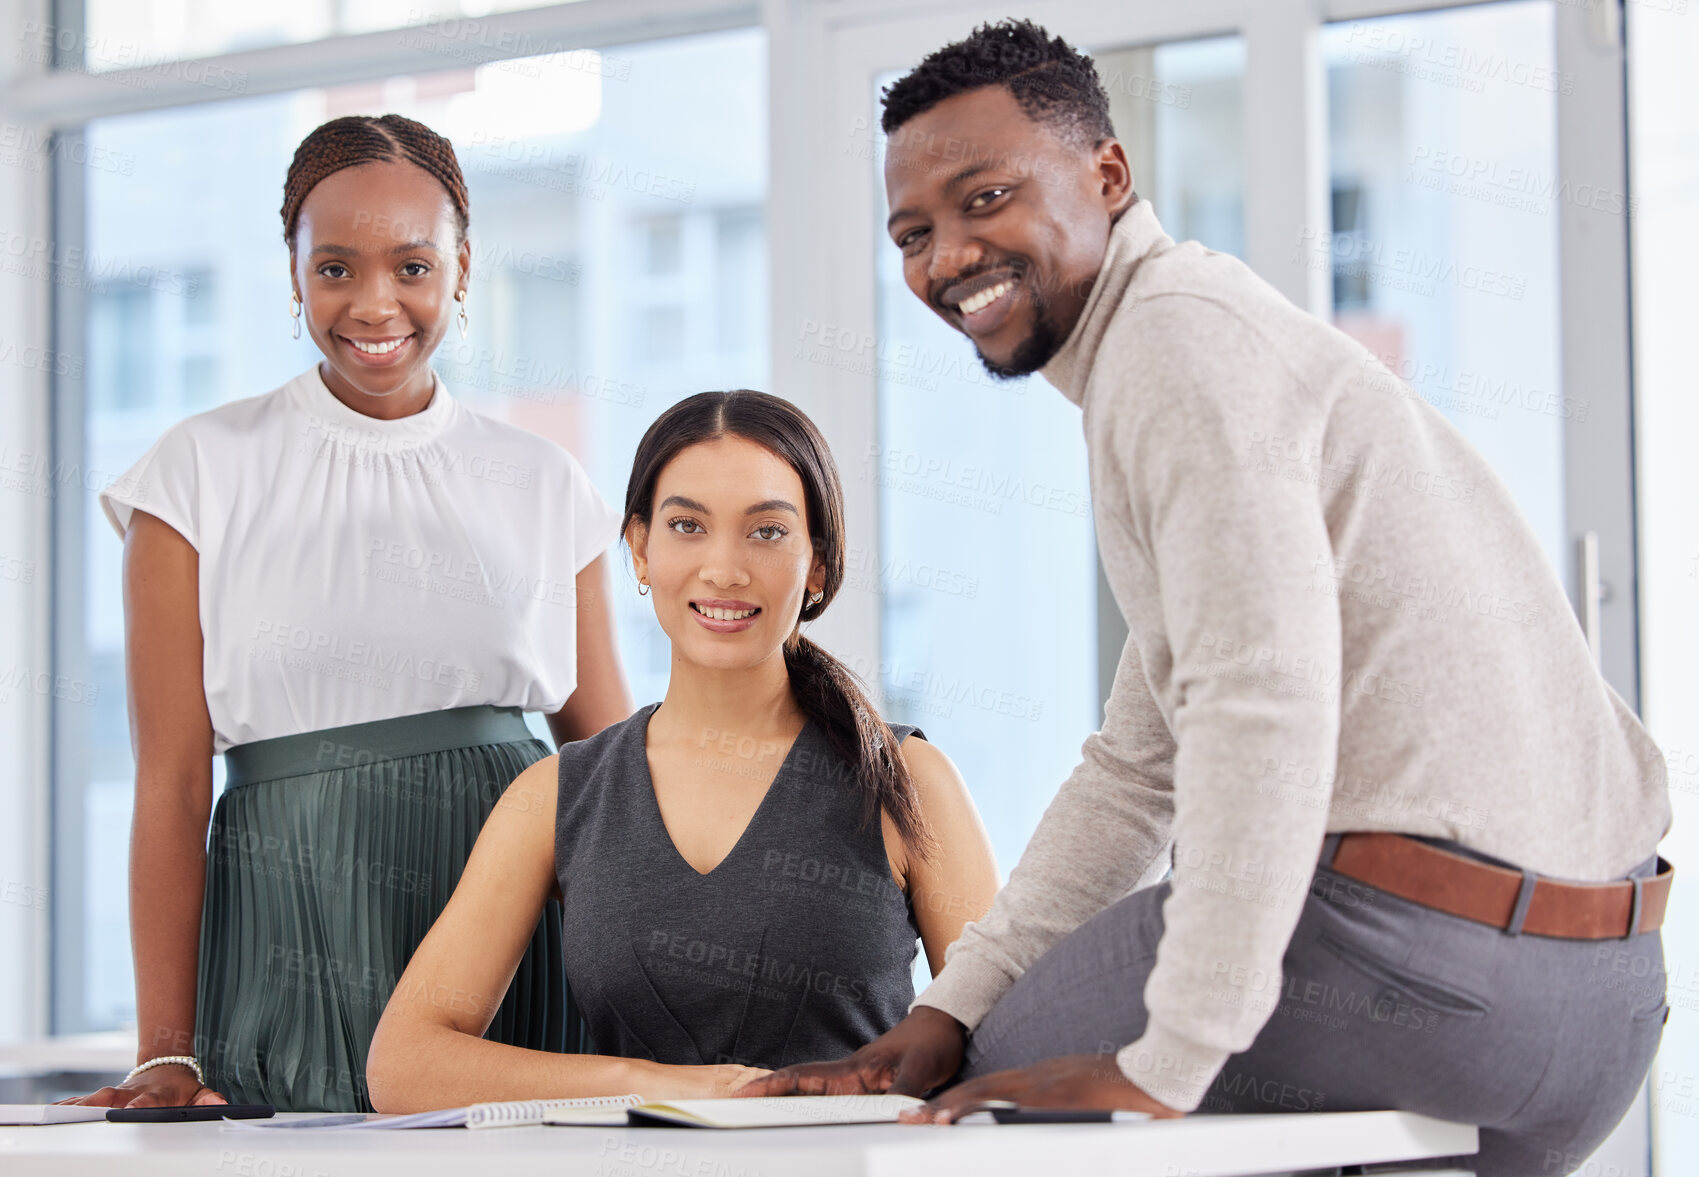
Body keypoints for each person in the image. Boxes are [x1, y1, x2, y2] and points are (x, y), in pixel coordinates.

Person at [741, 22, 1672, 1177]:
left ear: (1110, 175)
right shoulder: (1221, 339)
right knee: (985, 1045)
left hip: (1417, 968)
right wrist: (949, 1004)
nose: (948, 258)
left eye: (987, 197)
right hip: (1599, 1010)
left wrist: (1163, 1063)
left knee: (974, 1113)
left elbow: (1258, 703)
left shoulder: (1172, 350)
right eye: (913, 233)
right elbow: (1142, 765)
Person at [65, 114, 633, 1113]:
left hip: (512, 925)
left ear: (461, 271)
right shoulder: (195, 472)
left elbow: (613, 773)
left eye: (412, 266)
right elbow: (168, 781)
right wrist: (165, 1049)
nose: (376, 303)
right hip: (295, 917)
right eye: (335, 268)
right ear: (293, 275)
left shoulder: (544, 480)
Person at [364, 390, 999, 1109]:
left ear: (816, 563)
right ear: (639, 548)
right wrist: (651, 1084)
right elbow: (404, 1065)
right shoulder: (554, 795)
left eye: (765, 532)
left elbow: (1006, 1041)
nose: (724, 568)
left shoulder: (907, 780)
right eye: (687, 526)